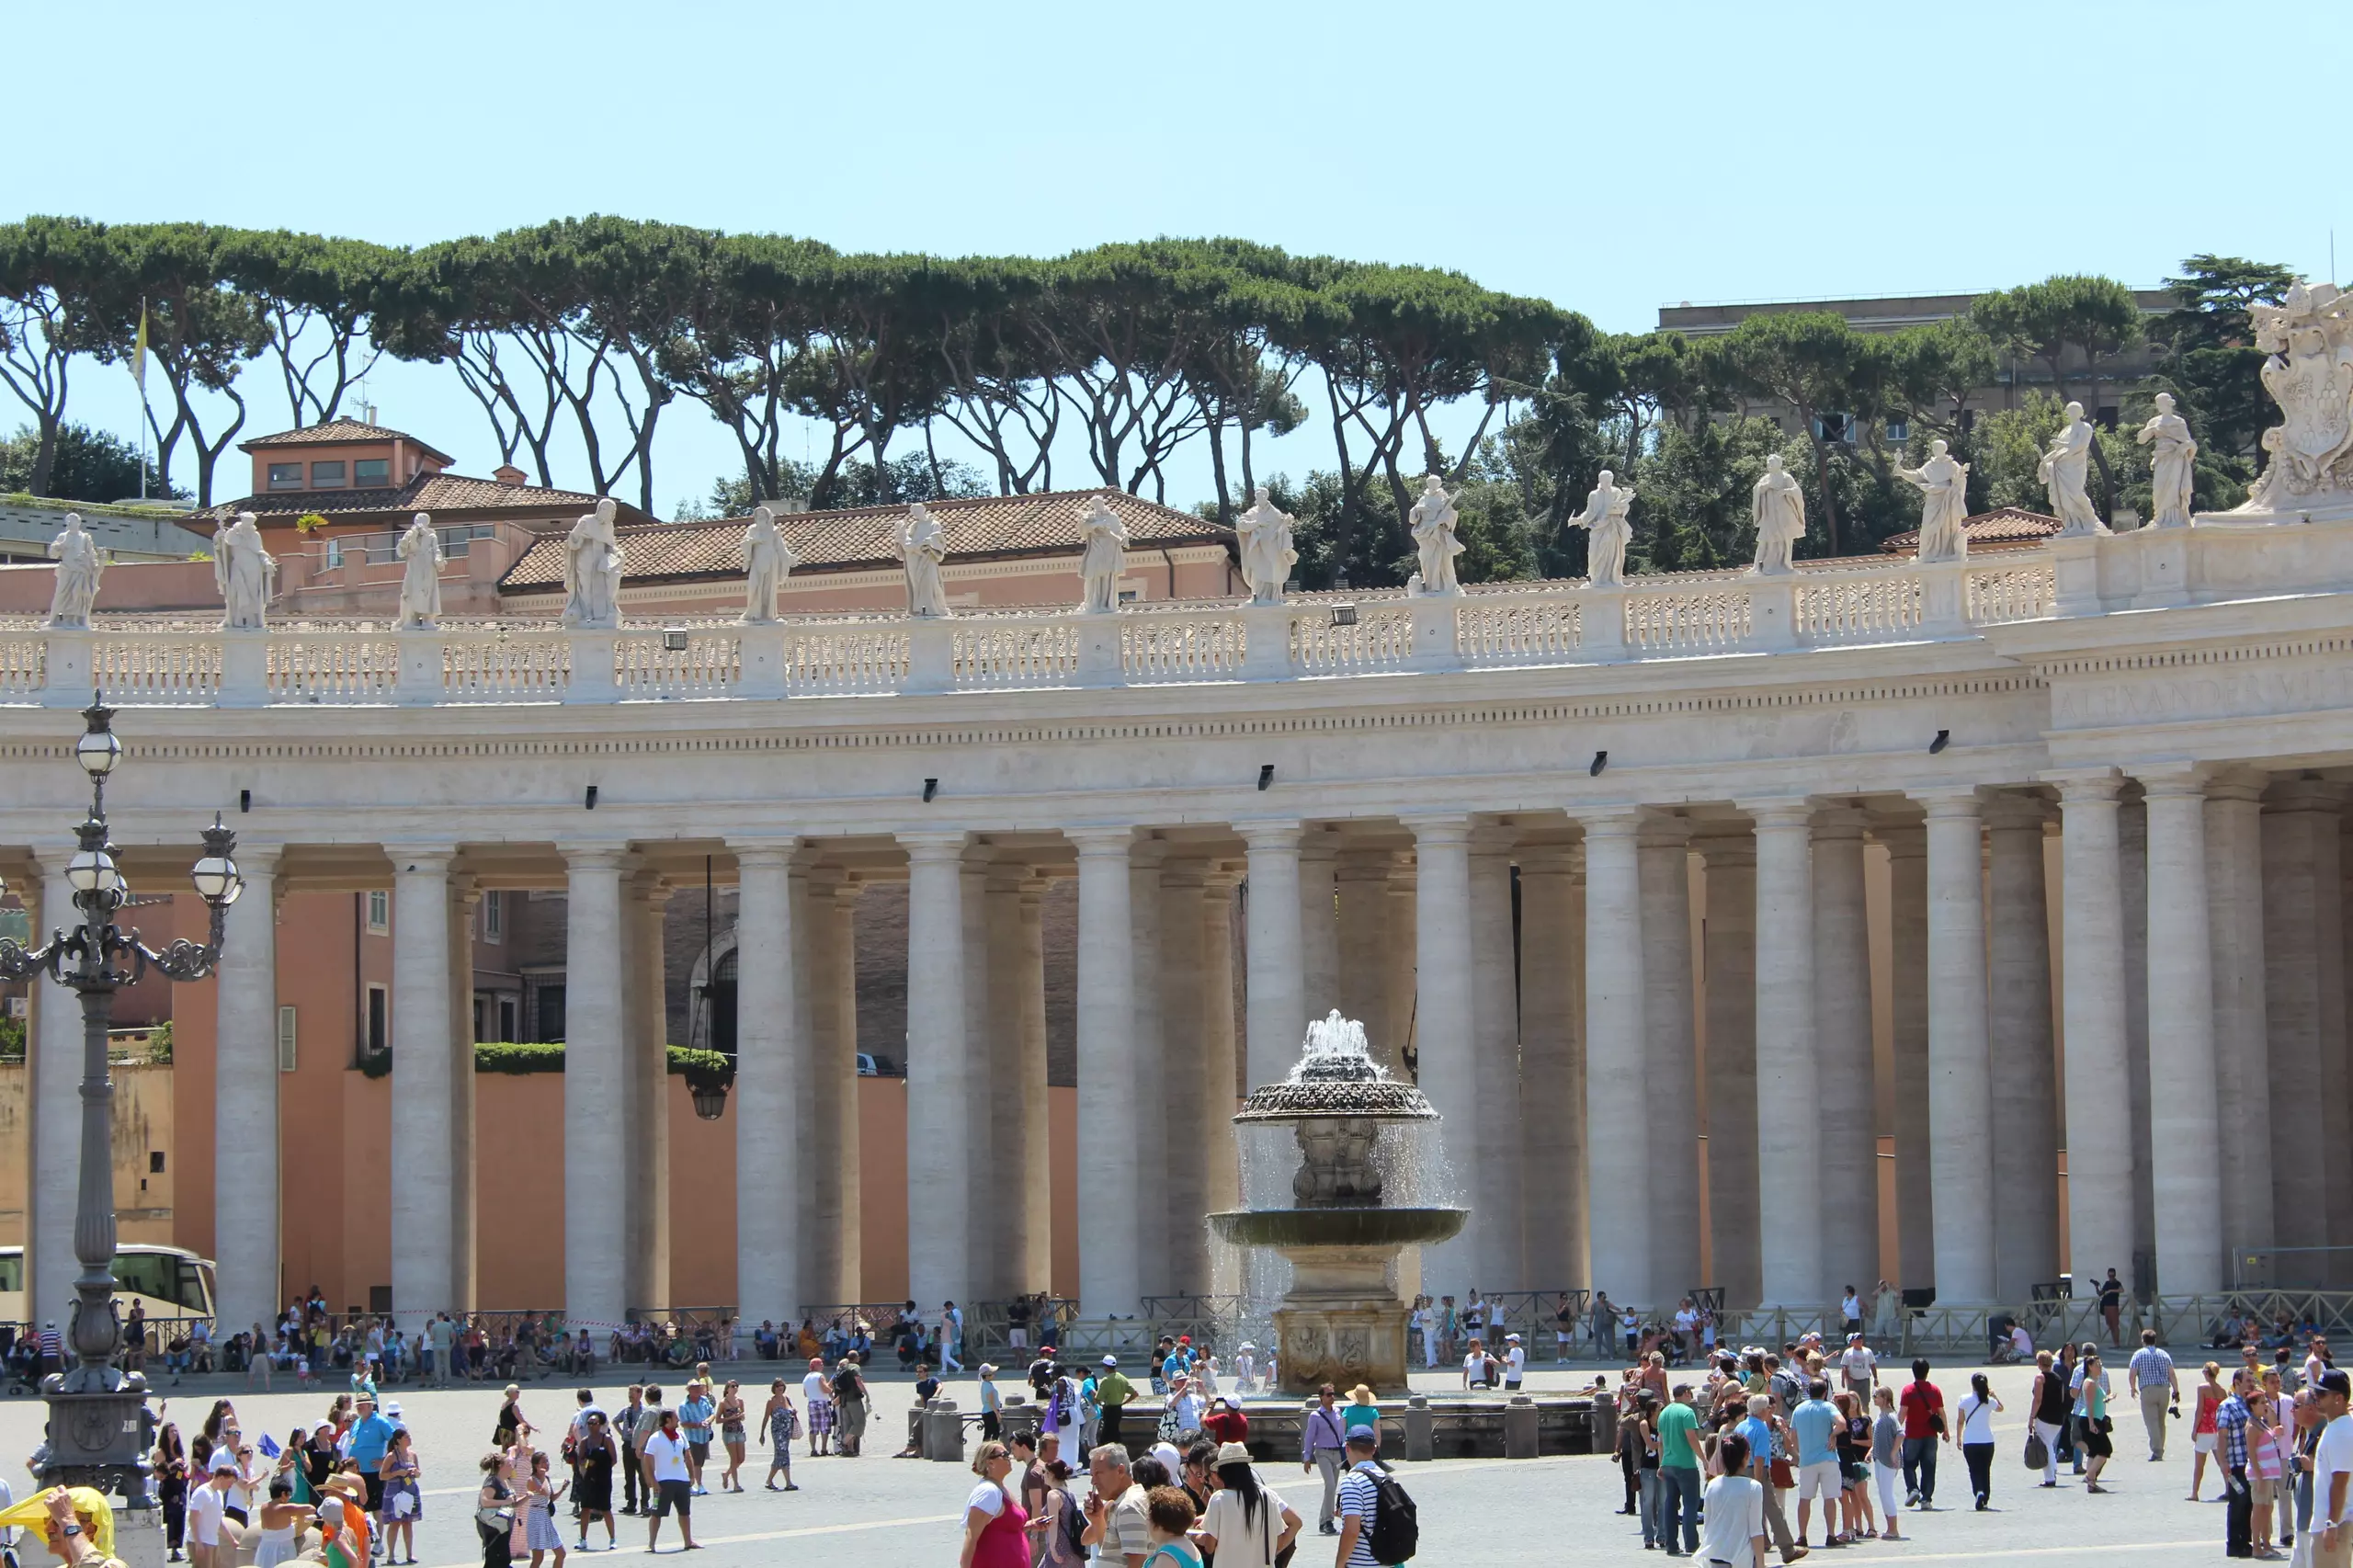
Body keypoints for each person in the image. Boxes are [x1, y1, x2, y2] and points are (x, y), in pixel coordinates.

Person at [1197, 1442, 1299, 1568]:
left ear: (1222, 1473)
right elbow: (1279, 1542)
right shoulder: (1268, 1497)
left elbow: (1210, 1547)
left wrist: (1194, 1537)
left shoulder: (1219, 1499)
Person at [1702, 1432, 1770, 1568]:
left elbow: (1707, 1524)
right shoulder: (1753, 1487)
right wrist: (1761, 1564)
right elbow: (1756, 1531)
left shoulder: (1712, 1485)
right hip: (1740, 1557)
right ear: (1746, 1456)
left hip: (1715, 1555)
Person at [1790, 1379, 1841, 1549]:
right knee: (1829, 1498)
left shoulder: (1799, 1409)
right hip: (1828, 1457)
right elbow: (1842, 1423)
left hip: (1807, 1460)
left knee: (1804, 1498)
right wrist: (1832, 1435)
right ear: (1824, 1392)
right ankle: (1831, 1534)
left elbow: (1793, 1435)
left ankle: (1802, 1535)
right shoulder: (1828, 1407)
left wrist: (1799, 1453)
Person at [959, 1441, 1028, 1568]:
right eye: (1004, 1455)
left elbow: (1004, 1528)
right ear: (990, 1463)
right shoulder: (988, 1492)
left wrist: (1032, 1525)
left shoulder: (1001, 1488)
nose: (1009, 1457)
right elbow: (971, 1537)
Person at [1082, 1445, 1151, 1568]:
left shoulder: (1129, 1506)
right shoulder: (1123, 1503)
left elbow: (1138, 1562)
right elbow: (1111, 1554)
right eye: (1092, 1475)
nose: (1093, 1481)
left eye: (1098, 1473)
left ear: (1120, 1471)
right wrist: (1097, 1520)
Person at [1654, 1384, 1703, 1556]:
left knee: (1671, 1504)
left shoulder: (1664, 1413)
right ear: (1686, 1394)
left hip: (1668, 1464)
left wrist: (1661, 1464)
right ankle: (1691, 1543)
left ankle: (1671, 1544)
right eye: (1690, 1393)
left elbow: (1660, 1442)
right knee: (1690, 1504)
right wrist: (1704, 1459)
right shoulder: (1687, 1412)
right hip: (1685, 1464)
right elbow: (1692, 1438)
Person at [640, 1409, 695, 1553]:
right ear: (668, 1420)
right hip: (663, 1482)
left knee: (685, 1513)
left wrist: (692, 1475)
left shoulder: (681, 1435)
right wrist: (652, 1480)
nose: (678, 1420)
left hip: (682, 1480)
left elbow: (688, 1455)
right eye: (676, 1418)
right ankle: (651, 1544)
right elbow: (648, 1460)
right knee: (656, 1513)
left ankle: (688, 1541)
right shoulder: (655, 1438)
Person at [1333, 1434, 1392, 1568]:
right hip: (1387, 1561)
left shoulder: (1352, 1481)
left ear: (1347, 1448)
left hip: (1362, 1563)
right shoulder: (1386, 1477)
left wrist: (1339, 1564)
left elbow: (1352, 1531)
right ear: (1374, 1449)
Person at [1301, 1384, 1348, 1536]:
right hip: (1322, 1453)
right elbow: (1309, 1437)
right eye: (1328, 1394)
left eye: (1333, 1394)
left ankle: (1323, 1521)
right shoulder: (1315, 1416)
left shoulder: (1337, 1411)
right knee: (1330, 1485)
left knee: (1332, 1488)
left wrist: (1345, 1448)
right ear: (1321, 1397)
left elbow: (1341, 1433)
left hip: (1337, 1453)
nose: (1332, 1397)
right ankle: (1328, 1521)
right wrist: (1307, 1457)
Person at [1897, 1358, 1945, 1509]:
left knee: (1909, 1464)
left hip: (1912, 1434)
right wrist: (1946, 1431)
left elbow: (1903, 1413)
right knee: (1929, 1467)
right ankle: (1926, 1499)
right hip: (1931, 1434)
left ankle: (1913, 1489)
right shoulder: (1935, 1390)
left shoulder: (1908, 1390)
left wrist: (1895, 1431)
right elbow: (1941, 1412)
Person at [2127, 1327, 2180, 1463]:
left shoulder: (2138, 1354)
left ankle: (2157, 1451)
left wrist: (2133, 1388)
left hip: (2148, 1390)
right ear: (2155, 1340)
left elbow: (2132, 1373)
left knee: (2152, 1422)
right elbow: (2172, 1373)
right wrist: (2176, 1390)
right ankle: (2160, 1447)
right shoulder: (2164, 1354)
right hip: (2164, 1390)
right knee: (2161, 1421)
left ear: (2143, 1341)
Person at [1955, 1371, 2001, 1511]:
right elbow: (2001, 1408)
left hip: (1970, 1441)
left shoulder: (1964, 1399)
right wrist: (1994, 1395)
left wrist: (1958, 1437)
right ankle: (1985, 1498)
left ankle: (1978, 1492)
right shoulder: (1989, 1401)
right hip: (1987, 1440)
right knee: (1985, 1469)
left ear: (1972, 1385)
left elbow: (1960, 1421)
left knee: (1974, 1469)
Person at [378, 1426, 423, 1564]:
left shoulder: (412, 1455)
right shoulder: (391, 1456)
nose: (409, 1439)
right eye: (406, 1437)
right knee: (395, 1523)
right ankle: (391, 1556)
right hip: (395, 1493)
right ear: (398, 1440)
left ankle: (409, 1554)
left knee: (408, 1523)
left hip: (409, 1492)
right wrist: (397, 1473)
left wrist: (416, 1473)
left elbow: (419, 1473)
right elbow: (382, 1475)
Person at [573, 1412, 616, 1549]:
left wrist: (603, 1468)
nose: (592, 1426)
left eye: (594, 1423)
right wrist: (588, 1464)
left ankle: (612, 1539)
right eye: (589, 1423)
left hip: (604, 1479)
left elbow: (614, 1459)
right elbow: (580, 1460)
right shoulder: (585, 1441)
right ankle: (583, 1539)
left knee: (606, 1509)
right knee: (585, 1509)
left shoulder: (606, 1439)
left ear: (600, 1424)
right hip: (589, 1479)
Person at [2079, 1350, 2116, 1493]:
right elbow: (2088, 1404)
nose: (2100, 1367)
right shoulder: (2089, 1383)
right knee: (2105, 1450)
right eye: (2097, 1365)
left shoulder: (2095, 1382)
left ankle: (2092, 1484)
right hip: (2090, 1419)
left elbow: (2097, 1401)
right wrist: (2091, 1423)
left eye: (2100, 1365)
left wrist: (2108, 1398)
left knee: (2094, 1452)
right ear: (2090, 1367)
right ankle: (2089, 1476)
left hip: (2096, 1418)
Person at [475, 1454, 518, 1568]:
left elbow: (511, 1503)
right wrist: (505, 1501)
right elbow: (485, 1501)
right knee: (499, 1560)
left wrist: (527, 1498)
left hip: (503, 1529)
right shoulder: (492, 1481)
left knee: (501, 1560)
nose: (512, 1466)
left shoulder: (505, 1481)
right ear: (501, 1466)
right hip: (494, 1530)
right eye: (509, 1464)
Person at [2195, 1360, 2229, 1501]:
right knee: (2223, 1463)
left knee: (2199, 1465)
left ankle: (2194, 1493)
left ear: (2206, 1373)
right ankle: (2231, 1489)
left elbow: (2200, 1409)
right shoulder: (2222, 1391)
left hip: (2205, 1429)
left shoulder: (2202, 1388)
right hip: (2218, 1429)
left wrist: (2194, 1429)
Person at [757, 1381, 800, 1491]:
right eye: (777, 1386)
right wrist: (762, 1434)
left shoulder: (787, 1399)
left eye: (782, 1386)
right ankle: (788, 1482)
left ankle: (769, 1480)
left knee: (779, 1456)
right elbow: (766, 1417)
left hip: (787, 1431)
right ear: (774, 1388)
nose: (780, 1388)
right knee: (783, 1454)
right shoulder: (771, 1401)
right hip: (777, 1432)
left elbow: (791, 1411)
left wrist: (794, 1411)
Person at [832, 1358, 870, 1458]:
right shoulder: (854, 1367)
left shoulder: (840, 1370)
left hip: (843, 1401)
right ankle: (844, 1442)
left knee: (848, 1426)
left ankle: (849, 1450)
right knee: (859, 1423)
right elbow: (858, 1381)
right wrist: (866, 1394)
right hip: (854, 1400)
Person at [1097, 1358, 1134, 1451]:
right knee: (1115, 1431)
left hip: (1109, 1409)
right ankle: (1119, 1451)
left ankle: (1103, 1452)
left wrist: (1101, 1403)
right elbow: (1135, 1393)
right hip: (1118, 1409)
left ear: (1106, 1367)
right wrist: (1123, 1403)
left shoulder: (1106, 1380)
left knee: (1106, 1433)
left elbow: (1097, 1398)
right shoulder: (1122, 1378)